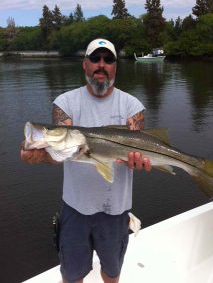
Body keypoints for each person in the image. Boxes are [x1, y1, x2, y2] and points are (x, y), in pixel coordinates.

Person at [21, 38, 151, 283]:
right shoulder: (65, 103)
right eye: (95, 59)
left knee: (112, 273)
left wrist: (139, 161)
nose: (101, 65)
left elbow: (139, 148)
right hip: (75, 208)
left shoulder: (132, 106)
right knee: (72, 276)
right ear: (85, 64)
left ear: (115, 66)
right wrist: (39, 154)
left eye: (108, 59)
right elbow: (62, 149)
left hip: (116, 209)